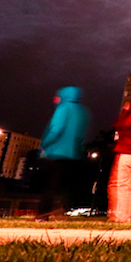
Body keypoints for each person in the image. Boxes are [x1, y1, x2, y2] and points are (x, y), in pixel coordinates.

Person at [35, 86, 90, 221]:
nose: (55, 98)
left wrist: (44, 144)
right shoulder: (82, 111)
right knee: (62, 183)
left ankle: (43, 214)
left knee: (49, 183)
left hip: (56, 152)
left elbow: (56, 128)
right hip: (73, 153)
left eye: (57, 95)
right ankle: (61, 208)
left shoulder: (64, 108)